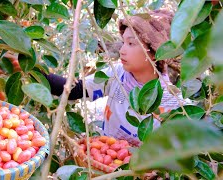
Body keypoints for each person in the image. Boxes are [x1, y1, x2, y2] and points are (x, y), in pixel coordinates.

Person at [44, 10, 181, 147]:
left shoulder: (173, 102)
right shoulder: (117, 74)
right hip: (106, 159)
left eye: (131, 43)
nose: (122, 50)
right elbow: (76, 90)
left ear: (154, 52)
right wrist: (35, 72)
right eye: (123, 42)